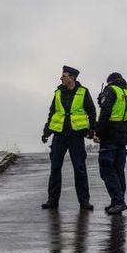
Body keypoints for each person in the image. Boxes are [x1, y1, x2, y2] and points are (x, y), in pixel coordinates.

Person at [41, 65, 97, 210]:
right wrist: (46, 131)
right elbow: (52, 112)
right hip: (59, 135)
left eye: (64, 76)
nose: (61, 78)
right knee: (55, 168)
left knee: (79, 169)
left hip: (76, 136)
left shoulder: (83, 92)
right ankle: (52, 200)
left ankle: (84, 202)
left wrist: (91, 129)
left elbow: (91, 111)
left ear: (71, 78)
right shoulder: (58, 92)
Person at [95, 72, 127, 215]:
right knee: (119, 170)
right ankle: (117, 201)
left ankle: (119, 202)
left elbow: (106, 112)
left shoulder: (111, 90)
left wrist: (97, 132)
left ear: (110, 82)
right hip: (123, 134)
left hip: (110, 134)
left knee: (106, 168)